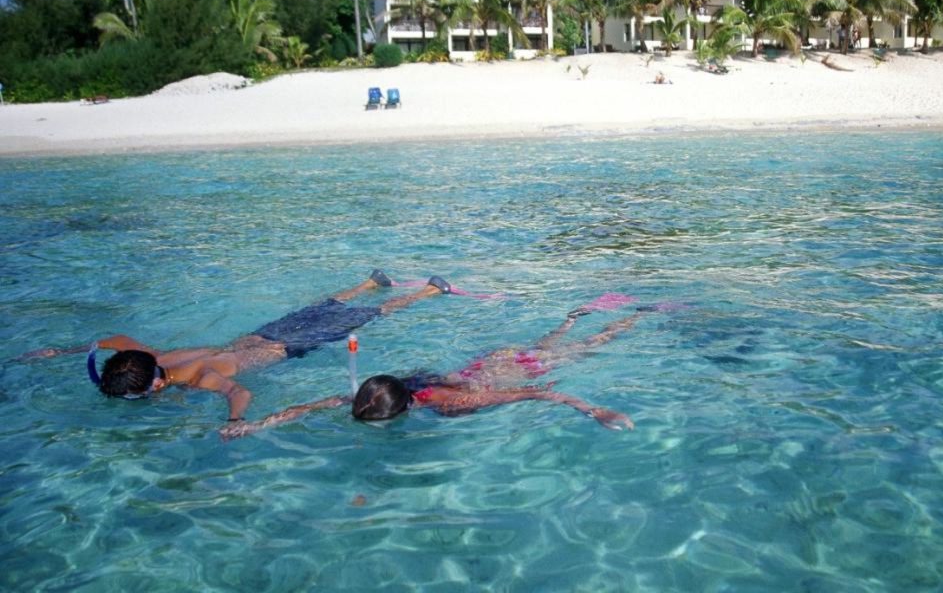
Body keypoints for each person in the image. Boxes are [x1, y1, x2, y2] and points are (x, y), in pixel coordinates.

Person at [19, 270, 452, 421]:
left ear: (151, 387)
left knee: (364, 318)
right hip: (263, 336)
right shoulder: (149, 355)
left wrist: (235, 420)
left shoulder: (199, 379)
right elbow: (110, 340)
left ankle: (427, 293)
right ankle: (368, 282)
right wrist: (68, 351)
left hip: (284, 348)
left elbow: (238, 391)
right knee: (323, 306)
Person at [220, 304, 643, 440]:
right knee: (549, 342)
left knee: (593, 345)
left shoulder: (452, 404)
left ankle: (632, 318)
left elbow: (538, 395)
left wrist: (593, 410)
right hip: (491, 362)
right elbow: (307, 407)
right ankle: (570, 319)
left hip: (513, 370)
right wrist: (254, 426)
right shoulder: (379, 391)